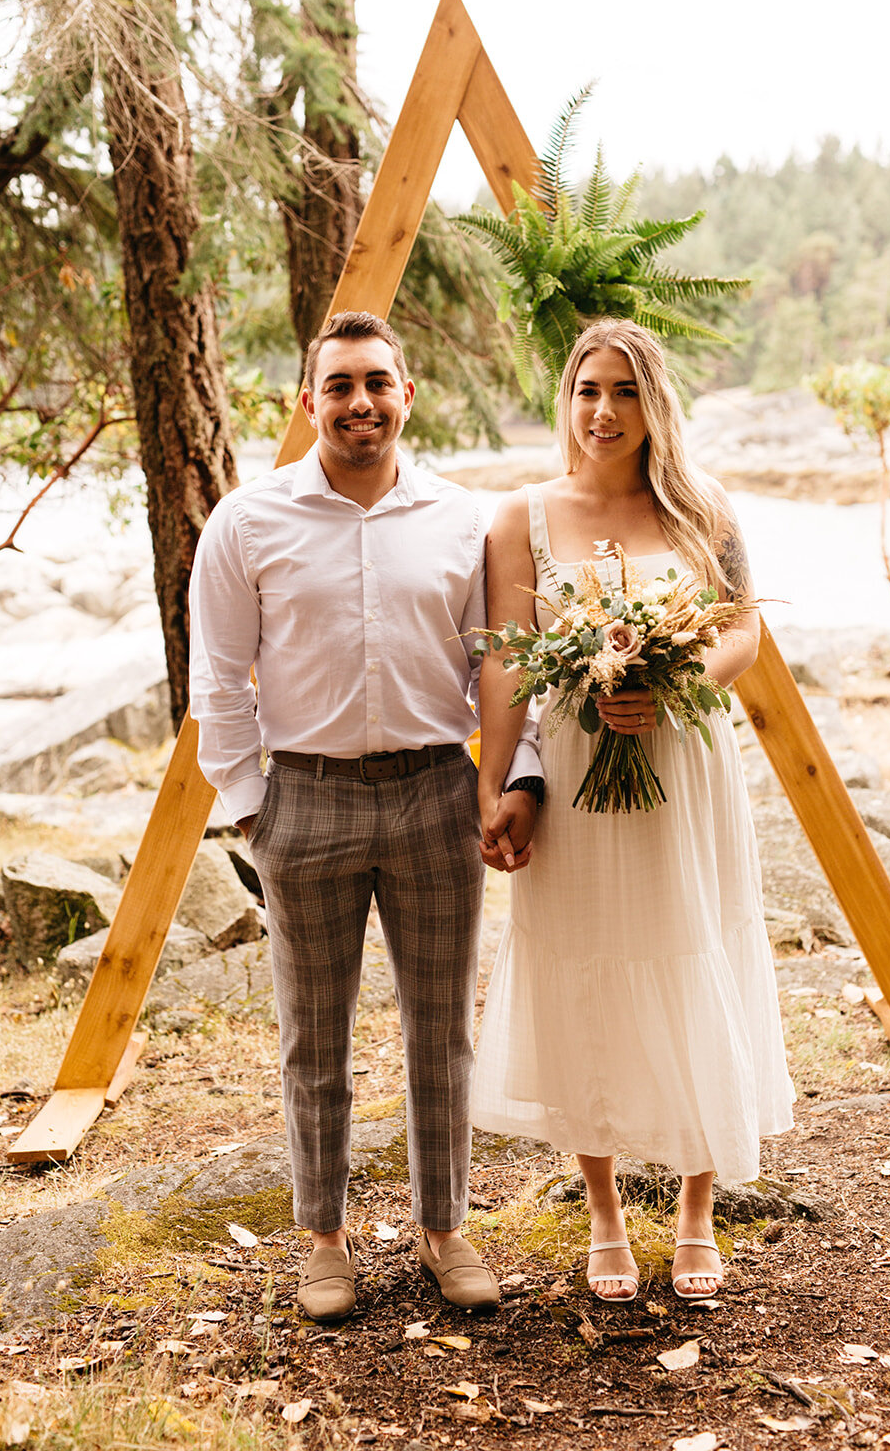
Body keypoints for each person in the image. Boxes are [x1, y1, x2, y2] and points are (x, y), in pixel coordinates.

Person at [188, 310, 541, 1321]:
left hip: (437, 796)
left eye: (377, 383)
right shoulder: (246, 522)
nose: (359, 403)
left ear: (406, 395)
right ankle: (321, 1240)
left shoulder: (464, 520)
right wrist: (254, 811)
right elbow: (218, 678)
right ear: (308, 403)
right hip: (306, 803)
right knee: (313, 1038)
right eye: (338, 385)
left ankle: (445, 1227)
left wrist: (508, 779)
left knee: (441, 1031)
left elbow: (501, 667)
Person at [471, 318, 793, 1303]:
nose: (601, 412)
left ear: (652, 405)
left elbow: (741, 626)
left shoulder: (707, 513)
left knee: (693, 948)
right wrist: (492, 783)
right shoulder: (519, 518)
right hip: (573, 776)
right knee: (586, 966)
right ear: (564, 400)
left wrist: (677, 673)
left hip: (682, 764)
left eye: (621, 392)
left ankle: (695, 1208)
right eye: (584, 390)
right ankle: (604, 1209)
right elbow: (501, 657)